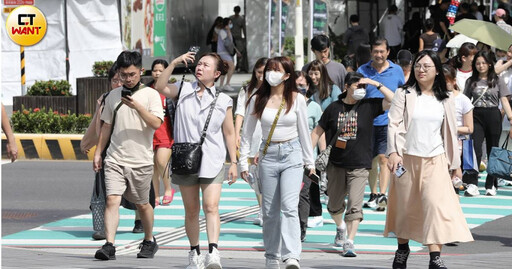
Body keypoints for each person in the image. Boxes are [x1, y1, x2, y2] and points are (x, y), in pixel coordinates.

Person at [385, 49, 474, 269]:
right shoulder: (404, 94)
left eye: (426, 66)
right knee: (406, 207)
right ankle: (402, 249)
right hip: (407, 159)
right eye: (417, 66)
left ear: (437, 71)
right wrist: (394, 152)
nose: (421, 70)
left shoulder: (445, 99)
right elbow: (393, 124)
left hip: (435, 159)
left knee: (435, 206)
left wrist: (455, 165)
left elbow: (451, 133)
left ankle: (435, 257)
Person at [155, 51, 237, 269]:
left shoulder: (223, 100)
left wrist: (234, 163)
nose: (200, 67)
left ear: (217, 73)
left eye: (206, 65)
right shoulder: (183, 90)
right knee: (191, 210)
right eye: (199, 64)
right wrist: (173, 63)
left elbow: (229, 133)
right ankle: (194, 253)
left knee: (211, 206)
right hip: (185, 159)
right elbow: (160, 87)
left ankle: (213, 253)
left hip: (213, 159)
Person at [240, 56, 315, 269]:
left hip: (292, 154)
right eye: (269, 69)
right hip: (268, 155)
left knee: (290, 206)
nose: (271, 73)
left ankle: (292, 256)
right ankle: (272, 255)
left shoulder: (297, 99)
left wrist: (309, 163)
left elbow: (303, 131)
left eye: (277, 70)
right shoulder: (257, 98)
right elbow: (247, 133)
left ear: (287, 75)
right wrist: (243, 163)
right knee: (270, 211)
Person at [310, 72, 394, 257]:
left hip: (360, 164)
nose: (361, 90)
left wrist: (374, 83)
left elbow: (393, 99)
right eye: (357, 86)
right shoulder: (333, 108)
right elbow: (317, 132)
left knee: (355, 207)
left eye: (364, 87)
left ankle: (350, 241)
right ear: (346, 87)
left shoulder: (369, 106)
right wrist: (308, 157)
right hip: (336, 164)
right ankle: (340, 227)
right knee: (334, 205)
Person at [93, 51, 162, 260]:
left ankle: (149, 240)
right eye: (123, 75)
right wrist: (98, 153)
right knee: (112, 200)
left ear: (141, 71)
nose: (128, 79)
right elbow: (106, 126)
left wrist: (138, 106)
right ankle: (109, 245)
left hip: (140, 160)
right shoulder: (113, 96)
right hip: (115, 158)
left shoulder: (151, 95)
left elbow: (156, 123)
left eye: (132, 74)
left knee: (142, 204)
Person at [357, 38, 405, 211]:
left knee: (384, 158)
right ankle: (374, 193)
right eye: (375, 51)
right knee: (370, 162)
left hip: (388, 121)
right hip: (367, 121)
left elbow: (403, 92)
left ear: (388, 52)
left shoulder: (396, 70)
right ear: (371, 52)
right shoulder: (362, 70)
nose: (378, 55)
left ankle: (383, 194)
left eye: (382, 51)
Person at [462, 50, 512, 196]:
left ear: (489, 64)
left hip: (493, 115)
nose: (481, 66)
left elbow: (504, 100)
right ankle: (473, 183)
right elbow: (465, 102)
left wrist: (511, 118)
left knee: (493, 151)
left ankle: (491, 184)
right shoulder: (471, 81)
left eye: (484, 63)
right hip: (476, 115)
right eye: (478, 63)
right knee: (476, 149)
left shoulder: (497, 80)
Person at [234, 57, 268, 226]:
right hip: (251, 136)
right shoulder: (247, 90)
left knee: (265, 175)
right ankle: (262, 208)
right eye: (259, 72)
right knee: (253, 176)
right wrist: (236, 134)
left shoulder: (274, 91)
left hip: (268, 137)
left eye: (265, 72)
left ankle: (265, 210)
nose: (261, 76)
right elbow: (240, 113)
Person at [295, 71, 323, 242]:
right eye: (296, 84)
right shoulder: (285, 104)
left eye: (302, 85)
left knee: (303, 194)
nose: (300, 88)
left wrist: (323, 154)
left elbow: (320, 132)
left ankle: (301, 228)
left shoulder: (314, 107)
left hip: (307, 157)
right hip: (286, 155)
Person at [147, 59, 176, 207]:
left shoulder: (171, 90)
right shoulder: (145, 90)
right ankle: (155, 194)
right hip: (150, 133)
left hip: (165, 132)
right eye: (155, 70)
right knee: (152, 166)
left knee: (161, 161)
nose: (157, 73)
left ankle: (169, 189)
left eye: (161, 70)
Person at [443, 64, 474, 187]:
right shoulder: (435, 97)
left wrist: (451, 127)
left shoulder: (463, 100)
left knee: (453, 168)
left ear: (454, 81)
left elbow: (469, 128)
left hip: (456, 140)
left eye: (445, 81)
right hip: (437, 139)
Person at [217, 17, 238, 91]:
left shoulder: (227, 31)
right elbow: (227, 43)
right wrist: (229, 32)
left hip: (226, 53)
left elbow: (231, 43)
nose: (230, 25)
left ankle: (221, 85)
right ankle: (227, 84)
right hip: (223, 52)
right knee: (231, 66)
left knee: (225, 68)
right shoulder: (223, 32)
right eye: (229, 23)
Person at [230, 5, 248, 73]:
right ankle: (232, 66)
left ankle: (238, 66)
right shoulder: (231, 18)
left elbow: (244, 28)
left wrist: (245, 37)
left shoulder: (241, 19)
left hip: (237, 38)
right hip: (232, 38)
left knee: (239, 53)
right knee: (231, 53)